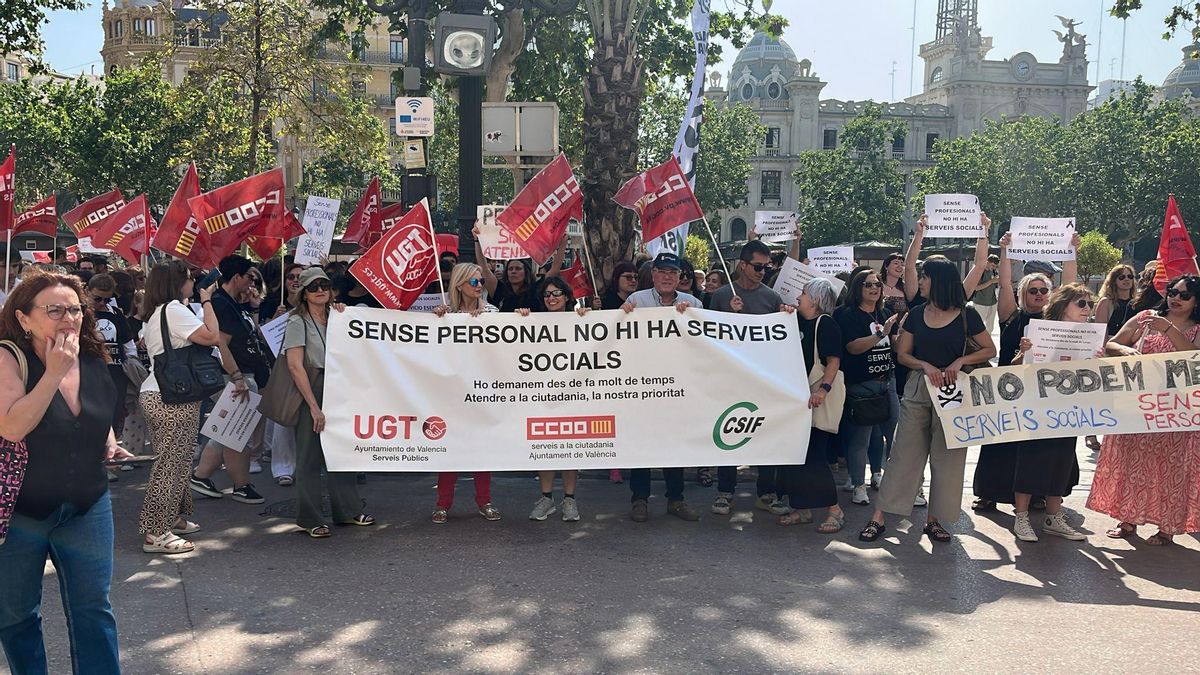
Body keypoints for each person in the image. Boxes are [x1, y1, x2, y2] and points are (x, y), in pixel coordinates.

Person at [0, 271, 133, 674]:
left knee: (93, 609)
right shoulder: (9, 357)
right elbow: (12, 426)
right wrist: (55, 371)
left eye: (74, 309)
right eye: (54, 309)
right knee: (18, 614)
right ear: (24, 319)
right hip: (22, 510)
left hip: (87, 503)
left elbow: (97, 410)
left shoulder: (91, 354)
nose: (68, 318)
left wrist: (108, 440)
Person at [859, 255, 996, 543]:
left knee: (948, 459)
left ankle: (934, 520)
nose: (920, 281)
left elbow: (989, 349)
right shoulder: (917, 313)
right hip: (919, 388)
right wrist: (925, 365)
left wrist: (960, 360)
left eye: (924, 276)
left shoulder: (966, 314)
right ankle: (879, 517)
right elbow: (903, 354)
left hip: (954, 393)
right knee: (903, 455)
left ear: (939, 280)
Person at [971, 231, 1079, 513]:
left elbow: (1070, 285)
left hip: (1044, 391)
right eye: (1033, 290)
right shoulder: (1011, 313)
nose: (1040, 295)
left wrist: (1071, 250)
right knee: (1002, 443)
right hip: (1010, 387)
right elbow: (1005, 282)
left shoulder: (1057, 317)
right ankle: (990, 493)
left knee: (1039, 447)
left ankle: (1040, 492)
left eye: (1044, 290)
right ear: (1024, 293)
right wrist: (1005, 250)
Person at [1090, 275, 1200, 545]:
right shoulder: (1146, 318)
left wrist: (1168, 330)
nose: (1175, 298)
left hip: (1177, 412)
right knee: (1133, 464)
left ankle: (1166, 529)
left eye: (1184, 295)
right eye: (1172, 292)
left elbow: (1194, 356)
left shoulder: (1196, 328)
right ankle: (1127, 521)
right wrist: (1125, 351)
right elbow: (1113, 342)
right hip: (1139, 407)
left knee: (1171, 468)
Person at [137, 260, 225, 554]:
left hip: (161, 394)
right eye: (189, 278)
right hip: (171, 398)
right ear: (178, 284)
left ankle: (171, 517)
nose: (193, 283)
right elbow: (213, 336)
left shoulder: (157, 313)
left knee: (178, 459)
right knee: (170, 464)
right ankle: (155, 532)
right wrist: (207, 299)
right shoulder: (173, 310)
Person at [284, 267, 374, 538]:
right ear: (304, 293)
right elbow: (295, 366)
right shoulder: (297, 321)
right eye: (313, 287)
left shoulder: (338, 317)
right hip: (313, 386)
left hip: (339, 386)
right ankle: (310, 517)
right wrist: (313, 406)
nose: (320, 290)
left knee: (342, 450)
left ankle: (347, 509)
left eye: (324, 284)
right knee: (309, 456)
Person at [1001, 283, 1095, 542]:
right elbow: (1014, 367)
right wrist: (1024, 352)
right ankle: (1021, 518)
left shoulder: (1090, 335)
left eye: (1089, 304)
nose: (1087, 309)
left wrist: (1099, 358)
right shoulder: (1039, 329)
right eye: (1082, 303)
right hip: (1038, 408)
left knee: (1062, 458)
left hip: (1070, 408)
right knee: (1031, 457)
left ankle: (1054, 516)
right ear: (1064, 305)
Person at [708, 240, 790, 516]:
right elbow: (708, 335)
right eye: (757, 266)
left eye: (766, 267)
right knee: (728, 431)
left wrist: (786, 315)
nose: (762, 271)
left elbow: (781, 337)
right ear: (742, 265)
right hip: (729, 378)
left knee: (764, 434)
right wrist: (728, 314)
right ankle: (725, 492)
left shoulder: (771, 297)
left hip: (762, 379)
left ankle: (766, 493)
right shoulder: (720, 295)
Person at [620, 252, 702, 522]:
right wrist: (620, 316)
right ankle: (639, 500)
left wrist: (689, 318)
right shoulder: (636, 301)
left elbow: (705, 343)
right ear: (653, 274)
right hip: (642, 384)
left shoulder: (694, 304)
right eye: (663, 271)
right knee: (641, 443)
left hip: (678, 385)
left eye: (673, 273)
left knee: (674, 443)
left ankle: (675, 499)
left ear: (680, 277)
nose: (668, 277)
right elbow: (617, 333)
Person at [189, 255, 271, 506]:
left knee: (231, 431)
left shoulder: (235, 303)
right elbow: (220, 343)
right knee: (233, 432)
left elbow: (249, 335)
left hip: (244, 374)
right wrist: (236, 376)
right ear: (237, 277)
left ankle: (211, 478)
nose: (252, 283)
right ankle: (229, 482)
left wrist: (254, 308)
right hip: (234, 375)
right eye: (249, 278)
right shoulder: (221, 304)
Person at [430, 263, 502, 523]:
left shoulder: (492, 312)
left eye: (481, 280)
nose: (480, 285)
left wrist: (519, 317)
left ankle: (485, 501)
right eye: (473, 282)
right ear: (459, 285)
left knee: (482, 449)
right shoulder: (445, 314)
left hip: (483, 391)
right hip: (452, 393)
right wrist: (438, 319)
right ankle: (442, 503)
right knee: (450, 450)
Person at [517, 276, 589, 522]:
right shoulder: (533, 321)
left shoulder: (582, 319)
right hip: (543, 396)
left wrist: (591, 317)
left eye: (556, 293)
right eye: (547, 295)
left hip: (573, 395)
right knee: (545, 448)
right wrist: (521, 318)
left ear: (567, 296)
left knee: (570, 449)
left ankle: (569, 500)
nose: (551, 298)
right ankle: (546, 498)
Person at [779, 278, 847, 533]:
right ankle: (802, 508)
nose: (799, 297)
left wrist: (823, 389)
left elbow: (833, 361)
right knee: (796, 455)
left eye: (804, 293)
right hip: (797, 399)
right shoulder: (796, 320)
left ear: (816, 299)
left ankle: (834, 510)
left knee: (815, 456)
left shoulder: (825, 323)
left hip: (814, 399)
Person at [834, 269, 901, 506]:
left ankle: (877, 474)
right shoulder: (846, 314)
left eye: (877, 284)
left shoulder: (885, 312)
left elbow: (894, 346)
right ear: (857, 288)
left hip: (887, 381)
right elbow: (853, 348)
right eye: (868, 284)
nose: (874, 288)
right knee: (860, 438)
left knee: (887, 434)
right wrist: (881, 334)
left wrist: (899, 336)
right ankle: (858, 485)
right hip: (861, 384)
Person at [87, 274, 137, 434]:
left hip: (116, 373)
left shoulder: (116, 313)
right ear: (88, 292)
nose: (102, 304)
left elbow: (128, 343)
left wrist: (131, 365)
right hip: (89, 373)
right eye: (98, 299)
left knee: (114, 417)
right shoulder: (79, 314)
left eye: (107, 300)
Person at [970, 254, 1000, 333]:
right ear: (987, 262)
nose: (993, 268)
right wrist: (992, 281)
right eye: (992, 265)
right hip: (981, 303)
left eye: (995, 266)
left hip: (992, 302)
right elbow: (976, 288)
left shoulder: (993, 271)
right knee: (977, 325)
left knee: (990, 327)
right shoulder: (980, 271)